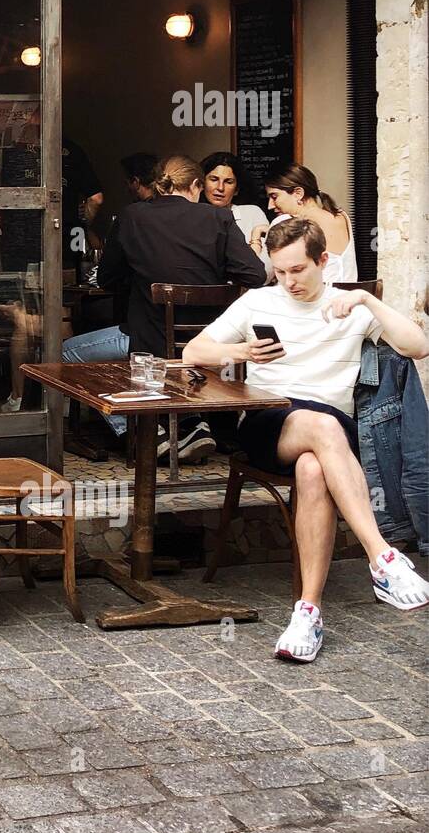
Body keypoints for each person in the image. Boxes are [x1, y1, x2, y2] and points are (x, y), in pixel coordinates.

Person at [183, 217, 429, 662]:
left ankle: (307, 612)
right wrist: (241, 352)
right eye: (280, 271)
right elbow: (193, 352)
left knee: (313, 467)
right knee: (324, 428)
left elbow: (418, 346)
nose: (288, 280)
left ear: (323, 261)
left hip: (328, 431)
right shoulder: (258, 301)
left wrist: (367, 302)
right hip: (269, 420)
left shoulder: (349, 306)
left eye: (297, 270)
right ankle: (383, 557)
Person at [66, 154, 265, 459]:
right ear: (196, 186)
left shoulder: (131, 216)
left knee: (67, 352)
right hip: (204, 346)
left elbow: (106, 278)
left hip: (147, 343)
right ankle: (191, 427)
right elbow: (255, 274)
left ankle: (143, 432)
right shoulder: (218, 219)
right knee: (147, 358)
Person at [251, 161, 357, 284]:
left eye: (274, 197)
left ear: (298, 193)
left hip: (314, 301)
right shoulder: (341, 216)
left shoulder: (285, 222)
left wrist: (255, 235)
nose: (270, 205)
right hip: (348, 299)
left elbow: (260, 276)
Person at [200, 150, 268, 246]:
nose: (220, 188)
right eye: (214, 179)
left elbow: (266, 258)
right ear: (202, 183)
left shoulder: (252, 214)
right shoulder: (192, 216)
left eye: (228, 182)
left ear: (237, 189)